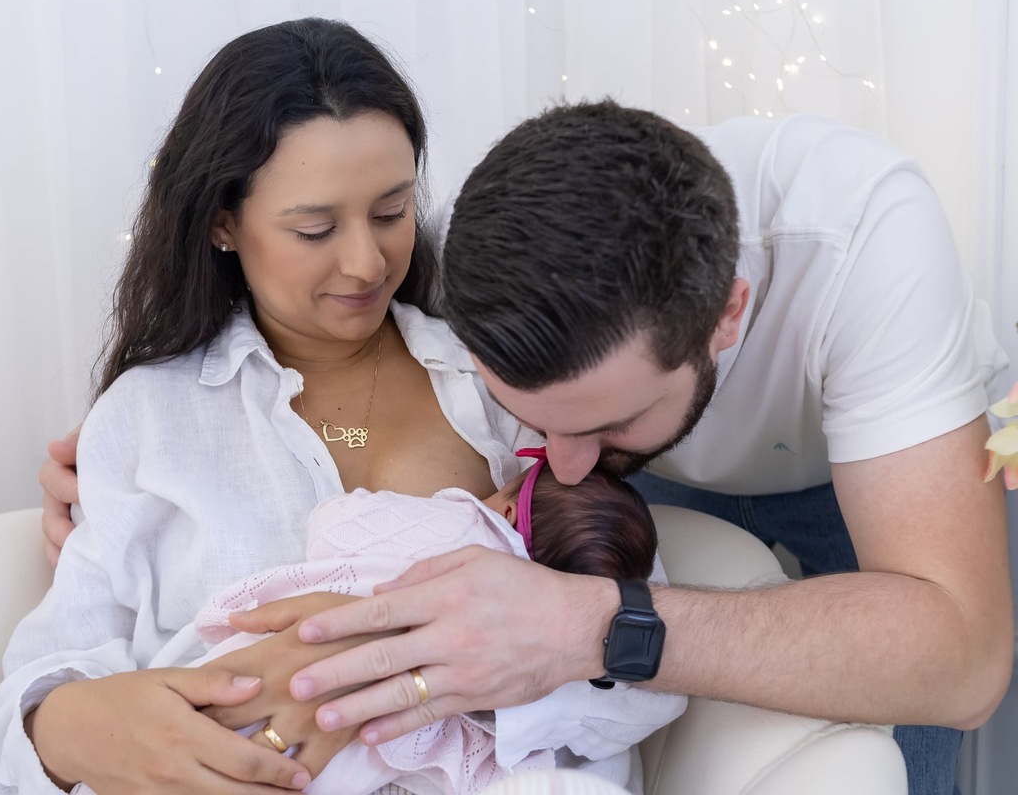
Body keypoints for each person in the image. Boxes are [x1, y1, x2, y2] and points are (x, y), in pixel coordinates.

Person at [179, 102, 1007, 795]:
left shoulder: (863, 237)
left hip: (880, 473)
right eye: (529, 418)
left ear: (728, 316)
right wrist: (159, 441)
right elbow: (346, 412)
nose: (561, 465)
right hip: (664, 486)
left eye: (607, 424)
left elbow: (965, 664)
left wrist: (591, 625)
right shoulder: (506, 262)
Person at [0, 20, 680, 795]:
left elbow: (651, 664)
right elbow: (30, 706)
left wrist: (425, 677)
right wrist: (84, 726)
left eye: (390, 211)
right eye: (315, 228)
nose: (366, 262)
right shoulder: (148, 419)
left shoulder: (503, 385)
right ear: (221, 222)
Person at [185, 453, 678, 795]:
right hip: (390, 747)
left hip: (277, 663)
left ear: (507, 507)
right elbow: (653, 684)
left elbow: (333, 524)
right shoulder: (582, 620)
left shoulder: (461, 523)